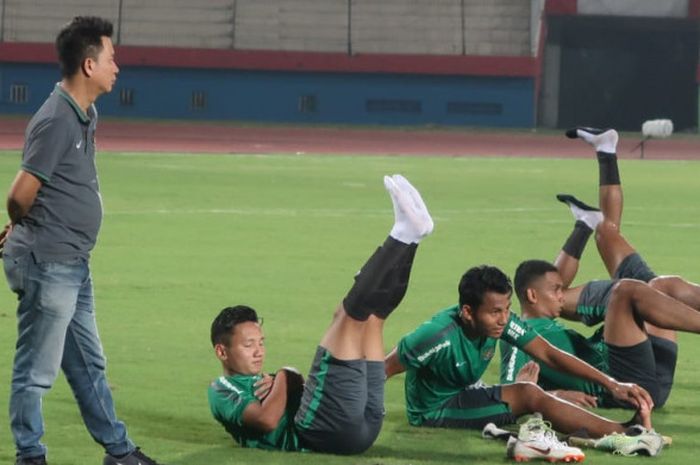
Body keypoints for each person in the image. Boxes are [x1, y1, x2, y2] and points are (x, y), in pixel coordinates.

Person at [0, 17, 163, 465]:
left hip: (71, 263)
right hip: (48, 262)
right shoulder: (55, 119)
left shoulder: (85, 113)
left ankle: (118, 450)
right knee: (36, 372)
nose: (118, 66)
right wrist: (22, 226)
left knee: (89, 366)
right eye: (112, 58)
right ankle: (30, 456)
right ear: (89, 65)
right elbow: (19, 195)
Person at [208, 174, 433, 454]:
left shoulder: (258, 379)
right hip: (323, 433)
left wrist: (288, 381)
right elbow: (266, 420)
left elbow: (299, 392)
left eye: (261, 342)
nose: (258, 352)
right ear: (222, 351)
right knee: (348, 317)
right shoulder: (221, 389)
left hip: (357, 426)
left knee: (374, 320)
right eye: (248, 345)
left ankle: (412, 239)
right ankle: (403, 234)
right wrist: (286, 375)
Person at [501, 127, 700, 410]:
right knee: (635, 285)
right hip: (629, 382)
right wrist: (557, 395)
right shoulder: (519, 334)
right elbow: (511, 389)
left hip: (635, 365)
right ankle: (594, 189)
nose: (561, 294)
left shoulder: (540, 322)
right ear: (532, 297)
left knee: (643, 272)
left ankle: (603, 159)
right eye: (556, 291)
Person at [384, 263, 664, 459]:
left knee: (529, 392)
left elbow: (549, 353)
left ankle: (616, 432)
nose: (504, 319)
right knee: (528, 393)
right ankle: (628, 434)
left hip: (466, 391)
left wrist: (612, 383)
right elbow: (382, 370)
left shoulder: (500, 323)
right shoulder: (436, 336)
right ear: (467, 312)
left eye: (507, 309)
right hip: (434, 410)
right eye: (495, 311)